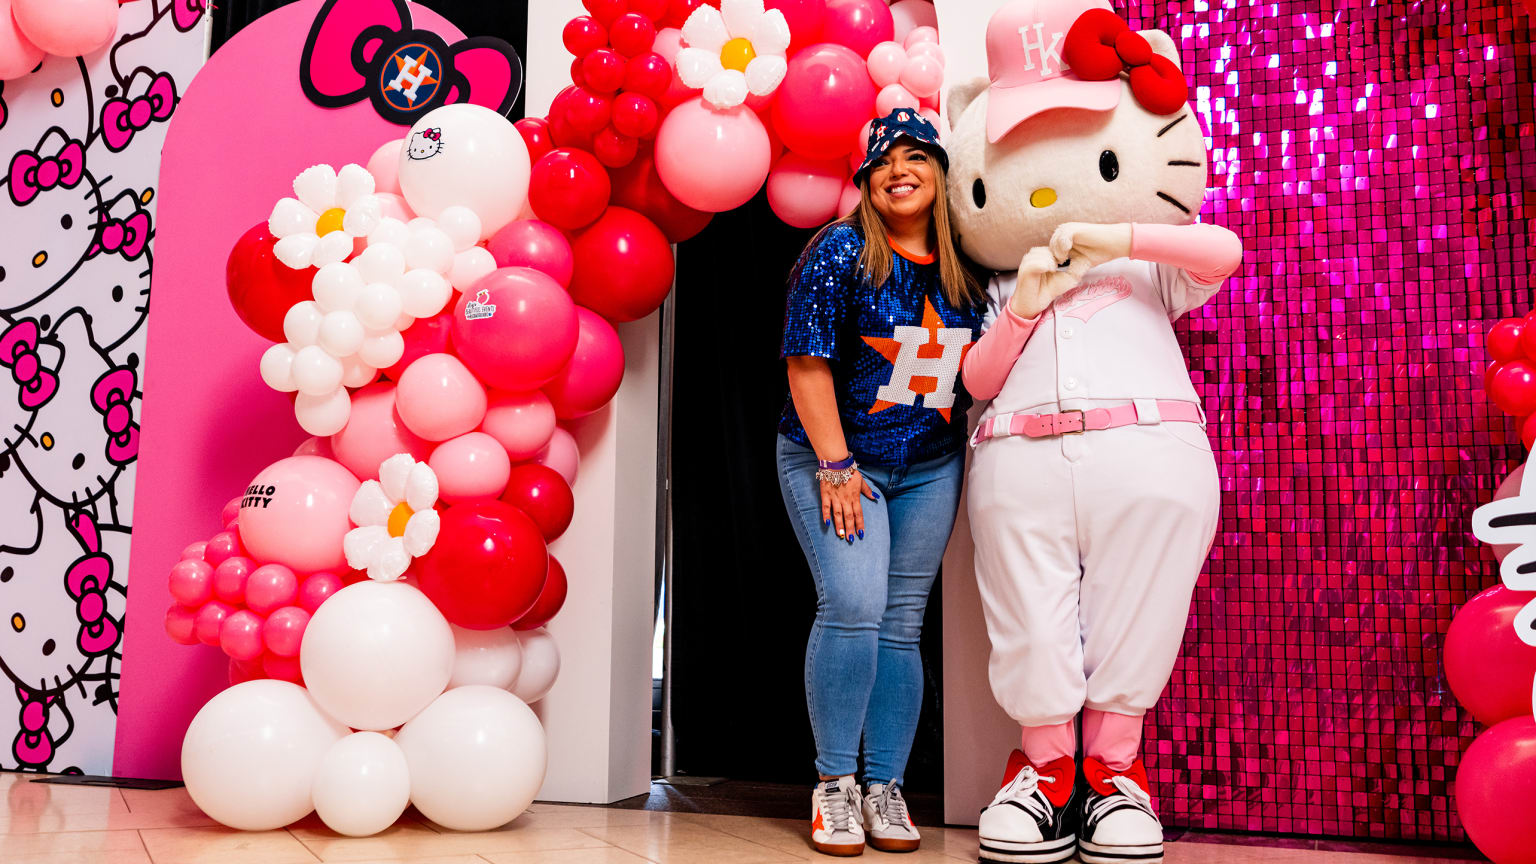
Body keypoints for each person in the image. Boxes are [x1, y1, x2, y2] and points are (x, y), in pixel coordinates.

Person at [776, 110, 987, 857]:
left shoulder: (967, 259)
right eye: (885, 161)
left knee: (902, 623)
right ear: (866, 180)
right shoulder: (839, 249)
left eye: (916, 157)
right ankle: (834, 785)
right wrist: (835, 465)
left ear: (939, 172)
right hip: (835, 457)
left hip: (930, 465)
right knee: (856, 605)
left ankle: (884, 787)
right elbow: (807, 363)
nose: (901, 170)